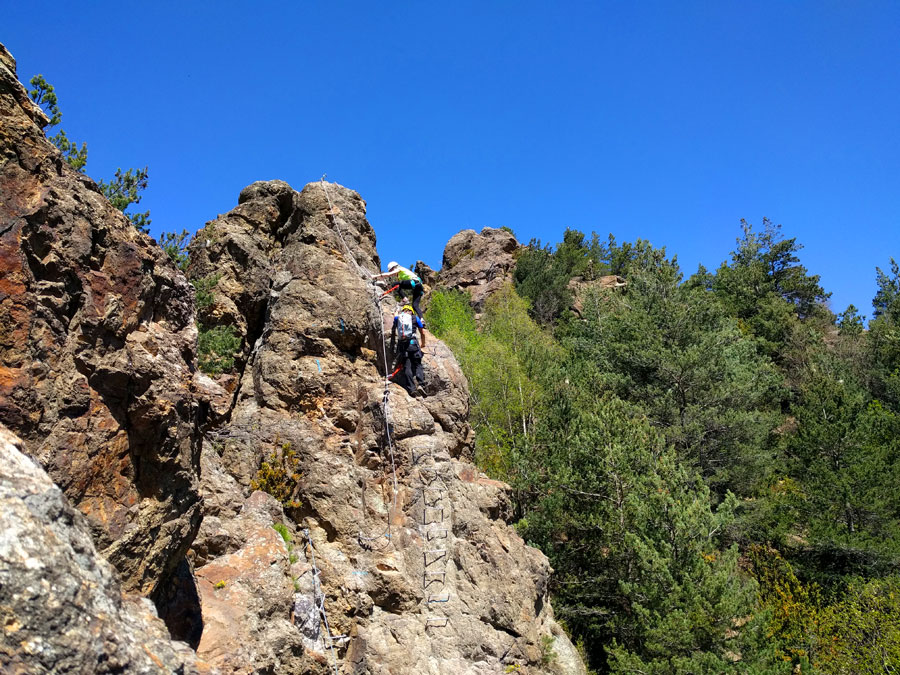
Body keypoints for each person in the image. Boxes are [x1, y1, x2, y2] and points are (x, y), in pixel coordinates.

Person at [389, 304, 427, 397]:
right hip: (413, 344)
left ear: (403, 311)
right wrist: (423, 344)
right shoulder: (415, 318)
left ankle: (412, 389)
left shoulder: (398, 318)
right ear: (411, 312)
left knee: (407, 366)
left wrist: (396, 312)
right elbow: (422, 332)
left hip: (403, 346)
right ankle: (421, 384)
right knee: (417, 364)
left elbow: (394, 318)